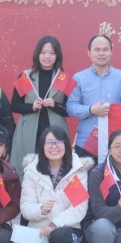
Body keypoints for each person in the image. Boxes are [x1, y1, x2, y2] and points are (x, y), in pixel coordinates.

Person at [20, 126, 90, 243]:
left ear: (66, 144)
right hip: (38, 230)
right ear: (42, 146)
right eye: (49, 142)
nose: (54, 146)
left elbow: (79, 207)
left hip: (65, 228)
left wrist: (54, 224)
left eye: (59, 142)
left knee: (61, 236)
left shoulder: (76, 171)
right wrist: (41, 209)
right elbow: (25, 207)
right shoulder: (32, 171)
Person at [10, 35, 71, 170]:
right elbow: (14, 105)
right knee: (28, 168)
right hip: (29, 131)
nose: (47, 57)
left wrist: (54, 105)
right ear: (37, 54)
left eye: (51, 53)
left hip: (56, 132)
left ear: (57, 56)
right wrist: (31, 107)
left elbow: (69, 109)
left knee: (56, 168)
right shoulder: (26, 76)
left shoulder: (63, 78)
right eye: (43, 52)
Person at [67, 35, 121, 157]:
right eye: (97, 50)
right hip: (86, 143)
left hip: (116, 143)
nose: (101, 53)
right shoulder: (79, 78)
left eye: (105, 49)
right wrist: (91, 110)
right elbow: (70, 107)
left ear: (111, 51)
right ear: (89, 53)